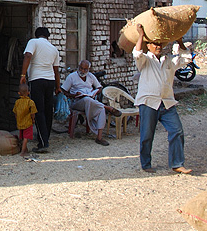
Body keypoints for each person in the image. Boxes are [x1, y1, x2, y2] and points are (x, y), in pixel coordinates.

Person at [133, 23, 193, 174]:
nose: (158, 46)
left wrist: (179, 41)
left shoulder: (169, 61)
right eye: (155, 44)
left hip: (166, 103)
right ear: (149, 46)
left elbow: (187, 59)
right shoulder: (145, 60)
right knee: (147, 135)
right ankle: (146, 164)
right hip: (148, 102)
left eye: (160, 44)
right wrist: (141, 35)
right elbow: (137, 53)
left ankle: (177, 163)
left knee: (177, 130)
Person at [61, 60, 122, 146]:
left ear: (88, 69)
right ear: (78, 67)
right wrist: (74, 95)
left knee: (100, 109)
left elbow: (99, 87)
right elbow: (64, 91)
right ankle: (108, 107)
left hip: (91, 100)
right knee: (87, 100)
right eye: (81, 68)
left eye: (85, 69)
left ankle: (99, 137)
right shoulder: (72, 77)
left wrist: (95, 92)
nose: (82, 71)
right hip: (77, 102)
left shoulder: (90, 76)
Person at [20, 26, 61, 153]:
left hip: (37, 80)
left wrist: (22, 75)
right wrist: (58, 87)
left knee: (38, 111)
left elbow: (27, 56)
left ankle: (43, 143)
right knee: (48, 111)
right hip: (50, 81)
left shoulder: (33, 42)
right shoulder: (54, 49)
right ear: (47, 36)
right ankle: (45, 139)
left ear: (37, 35)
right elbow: (56, 71)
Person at [12, 82, 38, 157]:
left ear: (19, 93)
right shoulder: (30, 102)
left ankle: (24, 149)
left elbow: (15, 112)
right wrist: (33, 119)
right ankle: (23, 151)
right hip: (28, 122)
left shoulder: (17, 102)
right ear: (28, 92)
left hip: (20, 122)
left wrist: (17, 119)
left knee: (22, 136)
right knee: (26, 137)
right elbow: (33, 112)